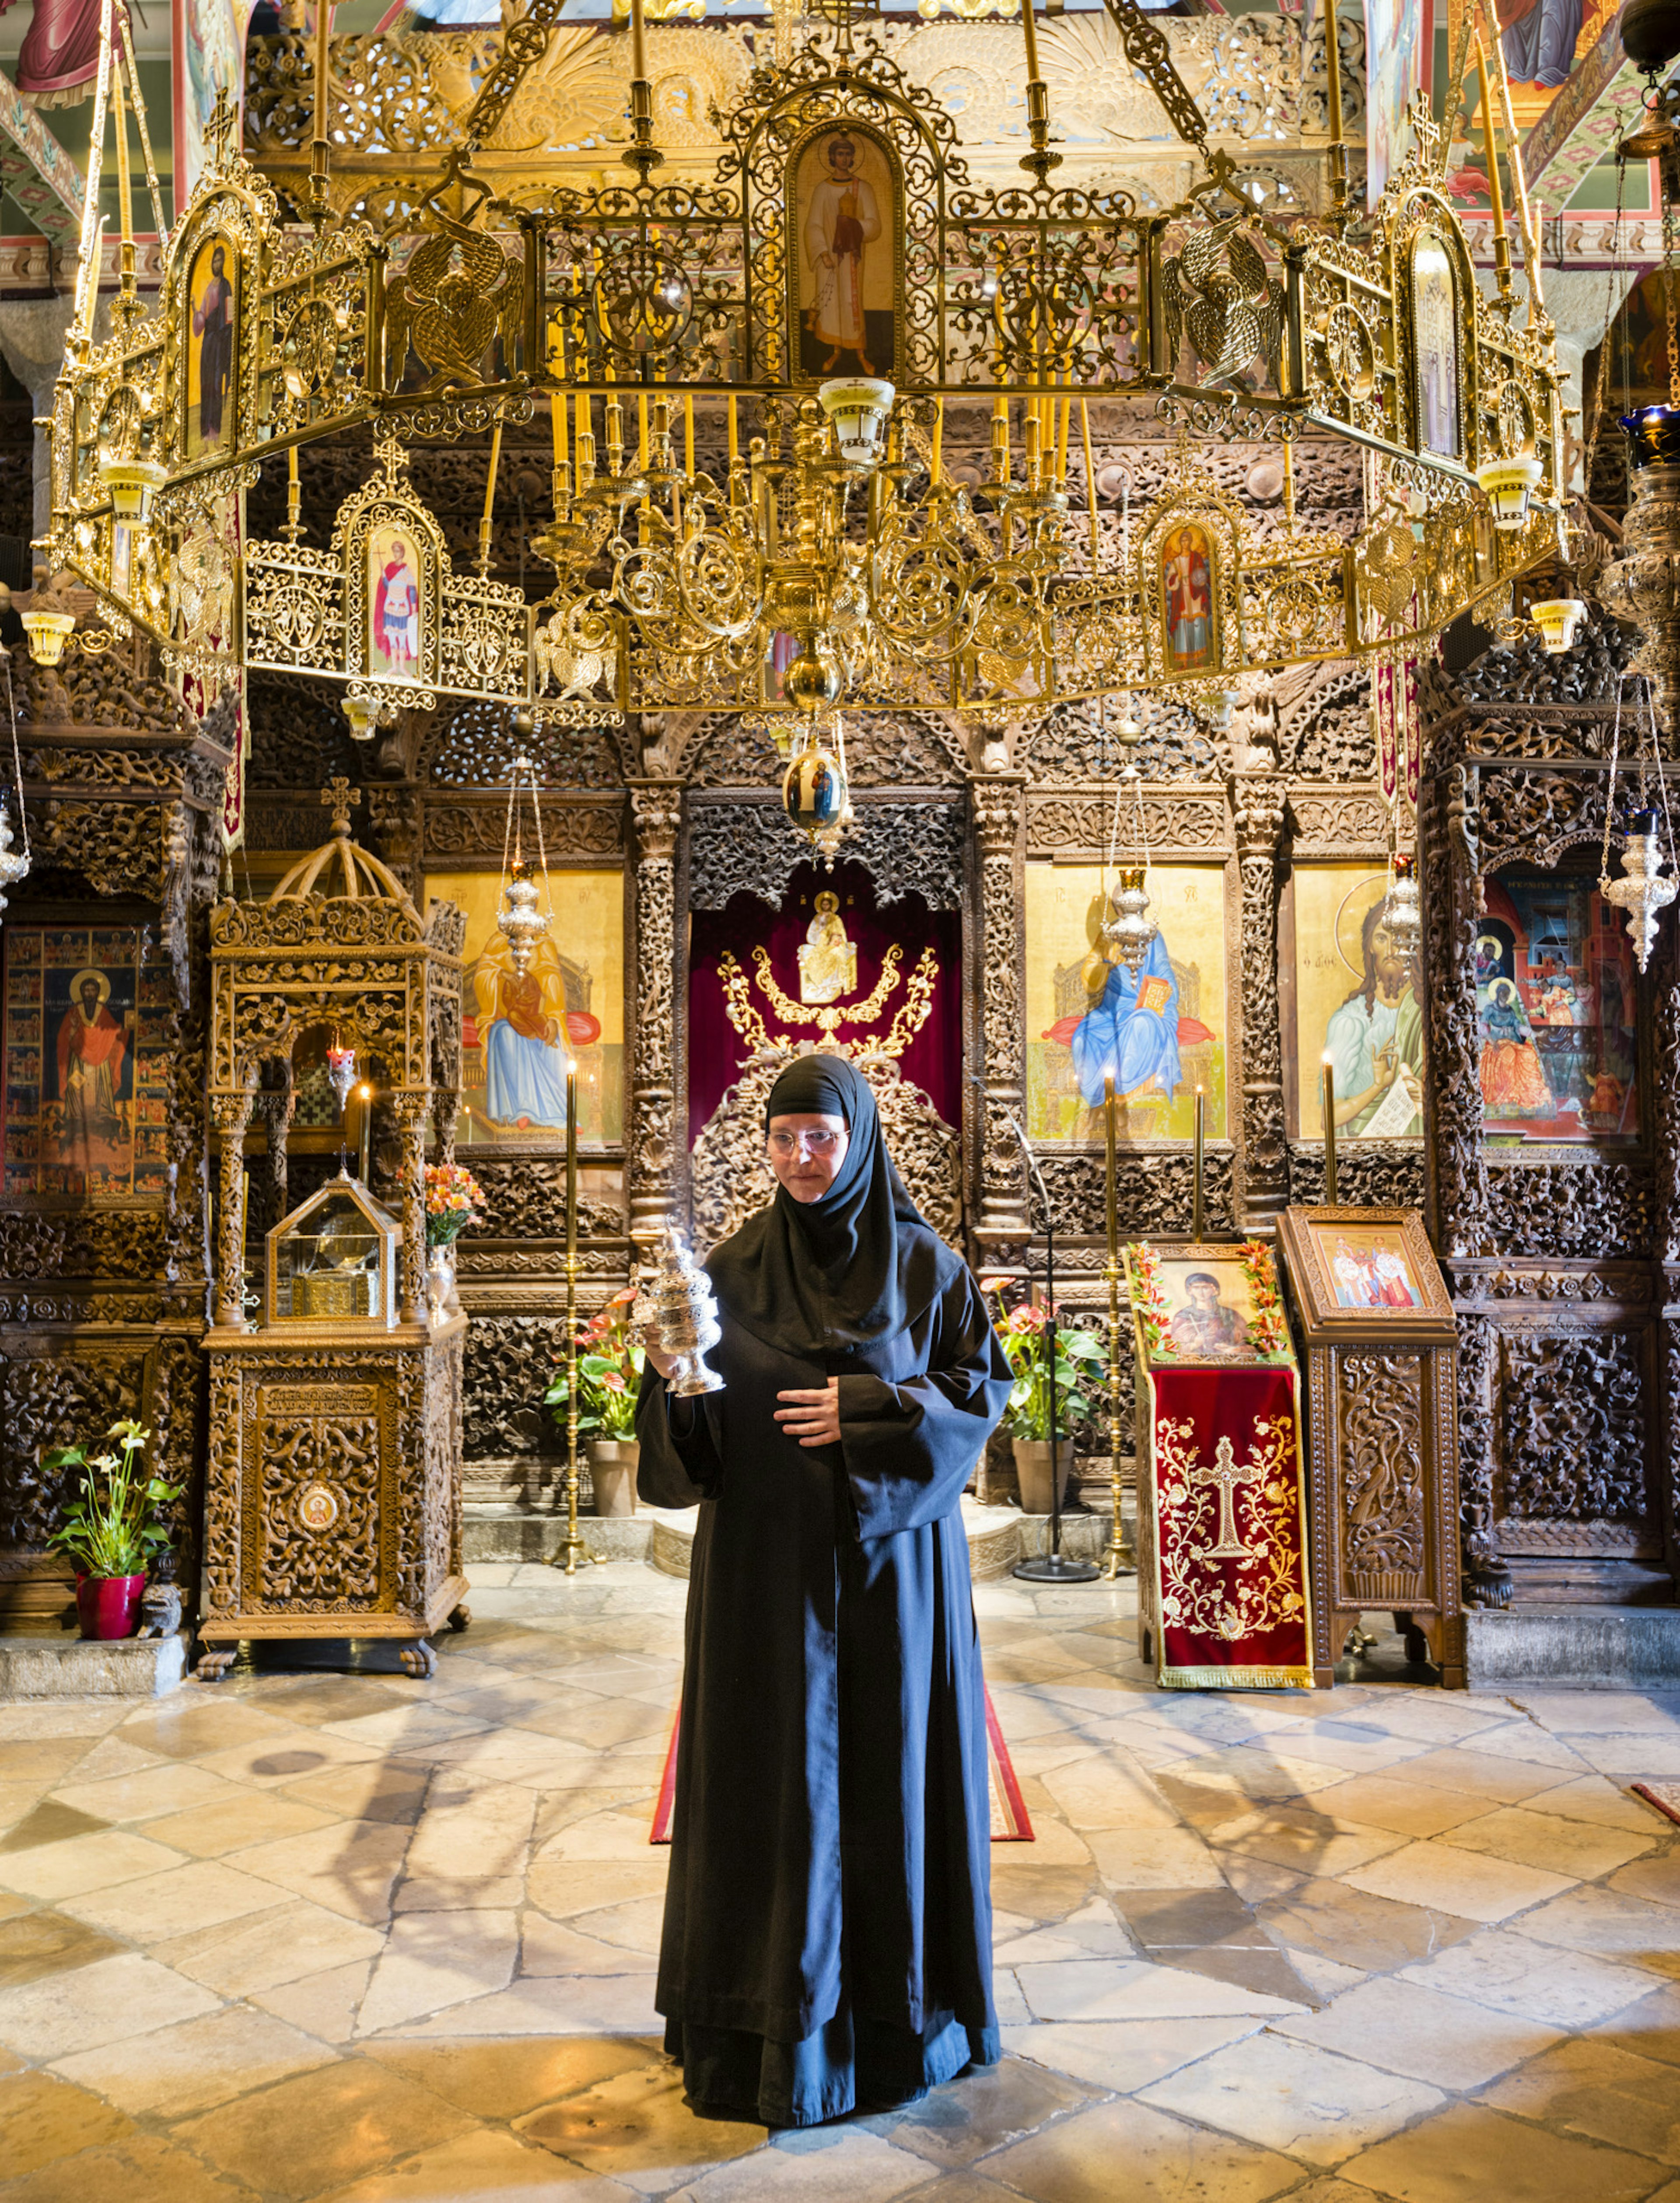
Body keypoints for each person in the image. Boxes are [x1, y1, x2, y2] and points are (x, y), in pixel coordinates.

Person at [635, 1053, 1012, 2129]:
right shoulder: (726, 1270)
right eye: (784, 1138)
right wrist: (671, 1384)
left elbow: (975, 1399)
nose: (803, 1158)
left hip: (892, 1583)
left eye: (822, 1137)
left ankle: (902, 2025)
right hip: (764, 1582)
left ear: (859, 1140)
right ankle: (762, 2027)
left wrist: (870, 1406)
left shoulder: (923, 1267)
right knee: (773, 1790)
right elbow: (692, 1444)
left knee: (889, 1783)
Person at [1323, 902, 1425, 1136]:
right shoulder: (1350, 1021)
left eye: (1400, 940)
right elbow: (1330, 1116)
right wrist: (1379, 1086)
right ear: (1370, 946)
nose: (1391, 950)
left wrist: (1423, 1097)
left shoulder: (1427, 1012)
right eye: (1381, 938)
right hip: (1361, 1149)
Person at [804, 134, 881, 374]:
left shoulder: (863, 188)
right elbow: (813, 225)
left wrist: (853, 227)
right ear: (831, 158)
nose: (844, 159)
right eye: (840, 154)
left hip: (852, 258)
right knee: (832, 305)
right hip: (829, 259)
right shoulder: (822, 190)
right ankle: (835, 351)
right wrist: (823, 253)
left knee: (851, 302)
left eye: (848, 154)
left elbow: (875, 225)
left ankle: (860, 353)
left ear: (853, 158)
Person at [56, 971, 128, 1158]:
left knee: (98, 1086)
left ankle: (98, 1117)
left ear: (97, 993)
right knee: (78, 1087)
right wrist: (72, 1031)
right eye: (86, 990)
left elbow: (110, 1032)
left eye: (92, 990)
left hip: (100, 1062)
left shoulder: (102, 1011)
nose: (89, 993)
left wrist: (122, 1030)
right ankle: (78, 1117)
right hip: (78, 1061)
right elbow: (63, 1038)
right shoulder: (73, 1012)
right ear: (81, 992)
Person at [192, 245, 235, 449]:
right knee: (206, 385)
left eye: (220, 261)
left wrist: (226, 336)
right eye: (214, 261)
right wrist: (195, 311)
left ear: (224, 263)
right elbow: (201, 318)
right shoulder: (210, 286)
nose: (217, 264)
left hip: (220, 341)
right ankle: (205, 438)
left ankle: (216, 434)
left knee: (217, 385)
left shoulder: (226, 285)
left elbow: (230, 314)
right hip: (208, 342)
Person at [1167, 1273, 1251, 1354]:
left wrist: (1236, 1350)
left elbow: (1254, 1346)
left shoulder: (1230, 1315)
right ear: (1190, 1291)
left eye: (1206, 1288)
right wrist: (1194, 1345)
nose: (1201, 1292)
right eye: (1196, 1288)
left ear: (1215, 1291)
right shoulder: (1183, 1317)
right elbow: (1172, 1349)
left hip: (1227, 1364)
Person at [373, 539, 420, 671]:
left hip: (403, 609)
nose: (395, 554)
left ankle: (403, 668)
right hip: (390, 608)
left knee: (403, 639)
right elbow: (387, 587)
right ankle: (394, 667)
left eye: (398, 552)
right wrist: (383, 571)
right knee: (393, 639)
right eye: (394, 552)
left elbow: (411, 590)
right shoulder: (389, 568)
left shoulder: (407, 571)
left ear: (403, 553)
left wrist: (414, 609)